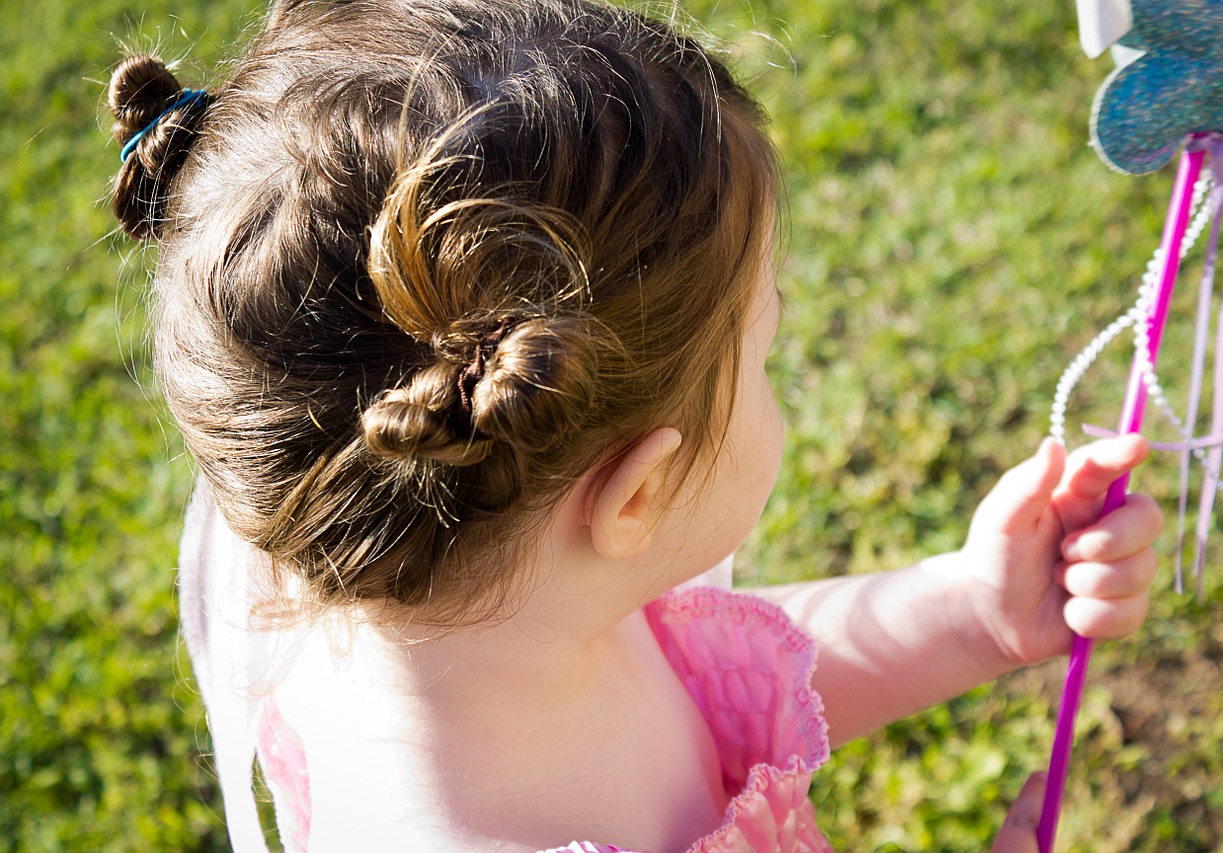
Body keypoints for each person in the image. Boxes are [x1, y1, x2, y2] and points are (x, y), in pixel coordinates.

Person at [107, 1, 1163, 850]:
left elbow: (700, 687)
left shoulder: (419, 609)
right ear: (637, 496)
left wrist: (969, 611)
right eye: (764, 360)